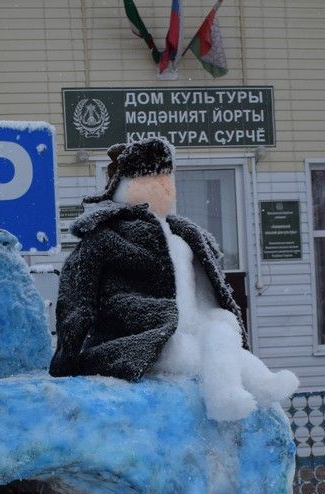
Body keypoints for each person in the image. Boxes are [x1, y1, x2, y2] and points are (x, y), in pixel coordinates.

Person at [49, 136, 298, 420]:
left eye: (168, 178)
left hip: (189, 331)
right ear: (123, 187)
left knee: (220, 331)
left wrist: (216, 317)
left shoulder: (185, 235)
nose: (164, 187)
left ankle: (258, 386)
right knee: (198, 349)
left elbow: (208, 290)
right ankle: (225, 396)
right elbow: (76, 298)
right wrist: (66, 359)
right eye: (151, 179)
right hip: (140, 339)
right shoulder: (104, 237)